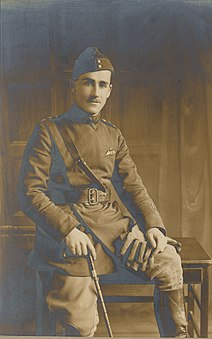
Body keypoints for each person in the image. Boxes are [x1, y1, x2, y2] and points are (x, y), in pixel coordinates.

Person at [18, 47, 188, 337]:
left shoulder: (112, 134)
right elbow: (29, 192)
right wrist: (67, 230)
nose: (95, 92)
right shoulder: (48, 131)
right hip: (67, 238)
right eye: (88, 82)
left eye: (102, 84)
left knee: (168, 262)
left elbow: (132, 185)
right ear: (74, 85)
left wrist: (153, 225)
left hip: (112, 227)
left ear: (110, 90)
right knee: (82, 324)